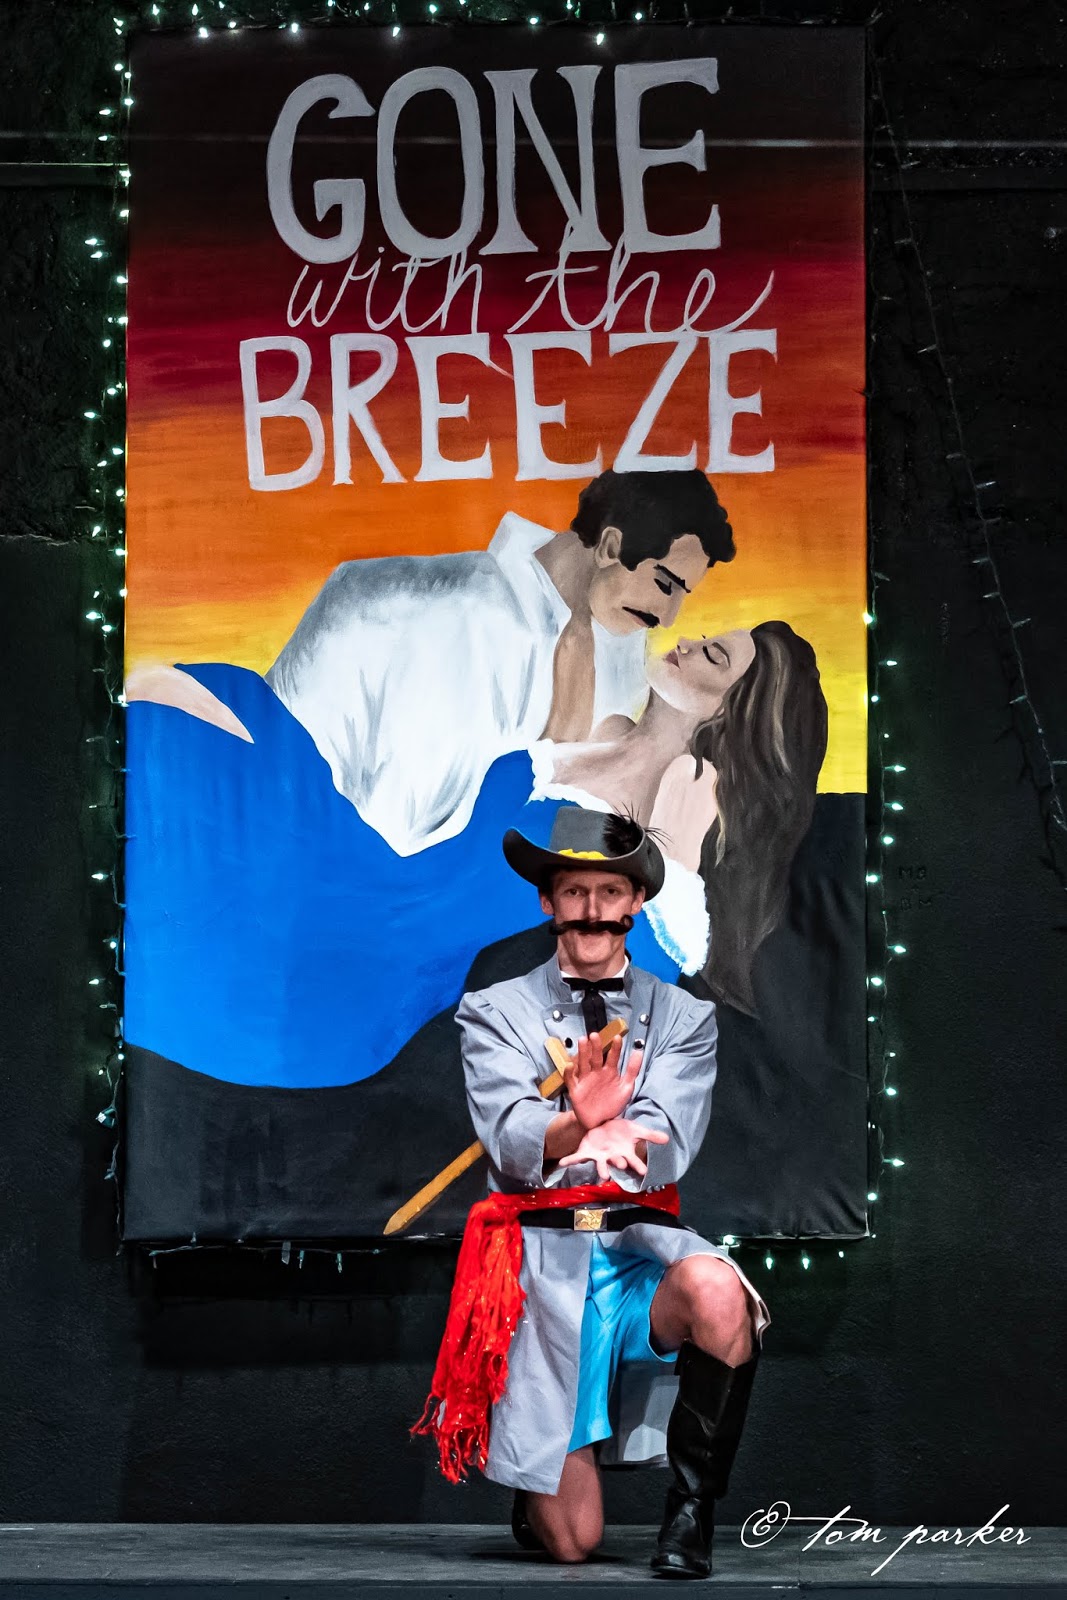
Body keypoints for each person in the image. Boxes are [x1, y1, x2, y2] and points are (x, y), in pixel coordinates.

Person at [413, 806, 770, 1579]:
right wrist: (578, 1126)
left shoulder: (683, 1017)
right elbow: (509, 1129)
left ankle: (691, 1512)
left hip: (639, 1258)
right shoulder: (493, 1011)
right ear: (548, 902)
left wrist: (604, 1135)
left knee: (718, 1291)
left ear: (635, 902)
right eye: (573, 892)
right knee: (572, 1546)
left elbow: (665, 1144)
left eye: (610, 893)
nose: (592, 911)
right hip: (541, 1273)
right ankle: (539, 1486)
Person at [261, 469, 735, 854]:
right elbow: (398, 835)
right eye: (665, 584)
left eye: (682, 595)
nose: (669, 618)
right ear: (611, 547)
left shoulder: (624, 649)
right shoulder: (450, 612)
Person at [542, 620, 829, 1013]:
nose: (685, 643)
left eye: (713, 655)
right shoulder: (609, 728)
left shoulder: (691, 784)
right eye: (704, 638)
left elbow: (646, 950)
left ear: (728, 710)